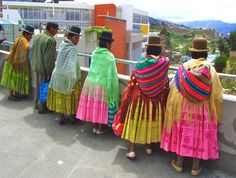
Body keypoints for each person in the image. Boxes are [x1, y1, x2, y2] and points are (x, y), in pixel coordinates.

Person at [160, 37, 223, 176]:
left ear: (192, 52)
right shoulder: (210, 69)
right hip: (202, 108)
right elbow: (217, 94)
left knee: (184, 133)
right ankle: (195, 168)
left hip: (184, 108)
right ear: (206, 53)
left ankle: (179, 164)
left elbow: (173, 86)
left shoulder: (183, 67)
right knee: (199, 136)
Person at [112, 36, 169, 159]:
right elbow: (166, 82)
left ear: (148, 50)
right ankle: (148, 146)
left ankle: (132, 149)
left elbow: (132, 81)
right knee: (150, 121)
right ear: (159, 51)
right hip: (156, 100)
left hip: (139, 98)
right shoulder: (164, 64)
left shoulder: (140, 64)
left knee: (135, 121)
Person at [76, 31, 120, 134]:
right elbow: (112, 74)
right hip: (103, 84)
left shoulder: (95, 52)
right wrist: (114, 86)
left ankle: (95, 127)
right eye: (111, 44)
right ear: (107, 44)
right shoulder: (110, 56)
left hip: (90, 82)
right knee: (101, 106)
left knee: (94, 104)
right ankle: (100, 128)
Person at [47, 26, 82, 125]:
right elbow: (71, 67)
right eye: (76, 37)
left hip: (58, 76)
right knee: (70, 97)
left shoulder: (62, 45)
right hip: (68, 77)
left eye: (78, 37)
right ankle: (71, 117)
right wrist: (73, 79)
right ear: (70, 37)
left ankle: (61, 117)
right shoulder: (72, 50)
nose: (78, 40)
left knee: (60, 97)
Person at [31, 22, 59, 113]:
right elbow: (49, 59)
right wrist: (49, 71)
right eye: (56, 29)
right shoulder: (50, 40)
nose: (56, 32)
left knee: (37, 86)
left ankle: (36, 104)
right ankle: (42, 107)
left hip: (35, 66)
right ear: (51, 28)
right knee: (44, 87)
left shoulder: (38, 36)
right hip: (44, 68)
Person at [1, 25, 34, 100]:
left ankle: (14, 94)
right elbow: (27, 48)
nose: (31, 38)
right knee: (13, 79)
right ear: (26, 34)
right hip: (16, 63)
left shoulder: (19, 37)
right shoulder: (23, 40)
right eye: (30, 36)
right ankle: (11, 95)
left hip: (12, 61)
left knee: (13, 79)